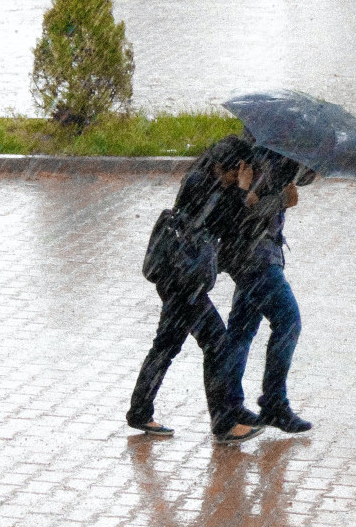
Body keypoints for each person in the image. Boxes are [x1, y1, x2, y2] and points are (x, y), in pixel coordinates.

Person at [126, 136, 264, 443]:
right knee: (217, 343)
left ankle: (139, 411)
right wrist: (242, 193)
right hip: (183, 282)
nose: (241, 177)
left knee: (166, 344)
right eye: (240, 171)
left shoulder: (203, 179)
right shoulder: (206, 185)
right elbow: (228, 226)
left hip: (175, 277)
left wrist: (240, 194)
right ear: (231, 168)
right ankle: (224, 423)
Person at [218, 148, 317, 434]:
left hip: (251, 256)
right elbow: (245, 213)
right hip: (256, 259)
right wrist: (281, 200)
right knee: (288, 322)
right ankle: (273, 402)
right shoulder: (261, 157)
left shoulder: (277, 152)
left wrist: (309, 165)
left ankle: (230, 404)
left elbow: (301, 178)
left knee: (241, 330)